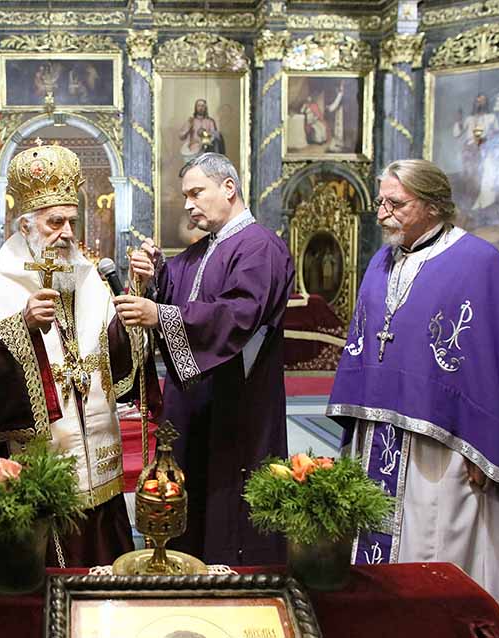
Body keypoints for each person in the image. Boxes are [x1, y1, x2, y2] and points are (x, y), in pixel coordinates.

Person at [326, 159, 499, 618]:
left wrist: (492, 452)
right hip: (379, 437)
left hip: (448, 449)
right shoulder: (381, 261)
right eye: (380, 202)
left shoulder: (481, 263)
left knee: (437, 547)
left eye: (394, 203)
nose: (381, 213)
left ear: (433, 204)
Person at [0, 143, 159, 567]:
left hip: (99, 464)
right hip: (37, 467)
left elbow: (114, 360)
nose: (66, 232)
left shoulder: (88, 278)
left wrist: (137, 295)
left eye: (71, 221)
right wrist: (21, 326)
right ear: (25, 225)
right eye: (54, 222)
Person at [117, 152, 294, 566]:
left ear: (228, 188)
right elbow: (175, 285)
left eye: (197, 193)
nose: (188, 205)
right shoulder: (205, 249)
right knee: (191, 492)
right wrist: (154, 272)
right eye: (185, 195)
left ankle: (234, 580)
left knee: (228, 498)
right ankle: (184, 566)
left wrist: (159, 314)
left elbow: (238, 315)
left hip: (235, 402)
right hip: (196, 401)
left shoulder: (259, 247)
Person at [452, 93, 499, 210]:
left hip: (484, 149)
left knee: (483, 175)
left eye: (482, 101)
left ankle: (483, 204)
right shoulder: (469, 119)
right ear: (475, 103)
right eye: (478, 101)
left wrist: (488, 138)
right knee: (469, 176)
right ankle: (469, 204)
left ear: (486, 103)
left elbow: (498, 132)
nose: (480, 103)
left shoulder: (491, 117)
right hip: (469, 150)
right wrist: (458, 121)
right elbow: (457, 134)